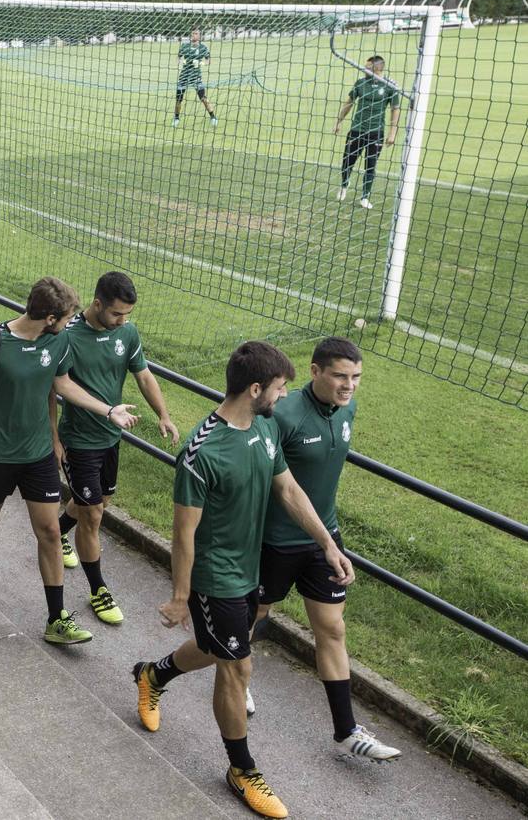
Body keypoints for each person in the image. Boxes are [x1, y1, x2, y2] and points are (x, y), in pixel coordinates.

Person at [132, 341, 355, 820]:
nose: (283, 396)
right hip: (218, 578)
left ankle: (153, 675)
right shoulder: (201, 452)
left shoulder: (266, 427)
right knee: (237, 666)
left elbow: (289, 490)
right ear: (255, 389)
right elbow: (183, 533)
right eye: (278, 388)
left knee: (218, 649)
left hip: (251, 566)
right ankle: (242, 770)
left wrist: (328, 545)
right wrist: (180, 596)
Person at [0, 277, 140, 646]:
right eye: (67, 317)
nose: (73, 322)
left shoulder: (58, 341)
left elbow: (62, 386)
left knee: (51, 531)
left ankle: (57, 618)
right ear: (50, 317)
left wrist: (107, 410)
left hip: (37, 454)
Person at [250, 337, 400, 761]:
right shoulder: (283, 415)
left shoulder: (347, 407)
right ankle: (235, 677)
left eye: (355, 377)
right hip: (274, 542)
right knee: (257, 614)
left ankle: (347, 731)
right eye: (339, 375)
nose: (348, 385)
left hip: (324, 541)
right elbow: (268, 481)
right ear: (314, 371)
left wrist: (327, 539)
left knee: (332, 629)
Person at [50, 271, 178, 626]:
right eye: (117, 314)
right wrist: (54, 438)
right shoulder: (68, 336)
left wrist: (163, 415)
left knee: (98, 503)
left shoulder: (127, 333)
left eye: (127, 316)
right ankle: (98, 590)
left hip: (111, 438)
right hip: (78, 440)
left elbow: (144, 375)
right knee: (92, 515)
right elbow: (55, 387)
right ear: (97, 304)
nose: (122, 321)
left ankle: (58, 532)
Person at [334, 55, 401, 210]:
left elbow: (395, 110)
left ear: (377, 68)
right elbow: (349, 103)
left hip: (376, 132)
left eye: (367, 67)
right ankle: (344, 184)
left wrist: (392, 133)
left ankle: (364, 197)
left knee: (370, 166)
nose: (363, 69)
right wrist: (339, 121)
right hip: (357, 130)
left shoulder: (390, 86)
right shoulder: (360, 83)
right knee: (347, 162)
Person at [173, 28, 216, 128]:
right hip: (184, 76)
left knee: (203, 98)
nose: (193, 35)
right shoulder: (184, 46)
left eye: (196, 33)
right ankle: (176, 118)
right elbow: (178, 57)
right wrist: (180, 62)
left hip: (196, 76)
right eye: (192, 33)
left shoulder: (203, 48)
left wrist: (201, 63)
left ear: (199, 36)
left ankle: (213, 117)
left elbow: (208, 61)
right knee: (178, 99)